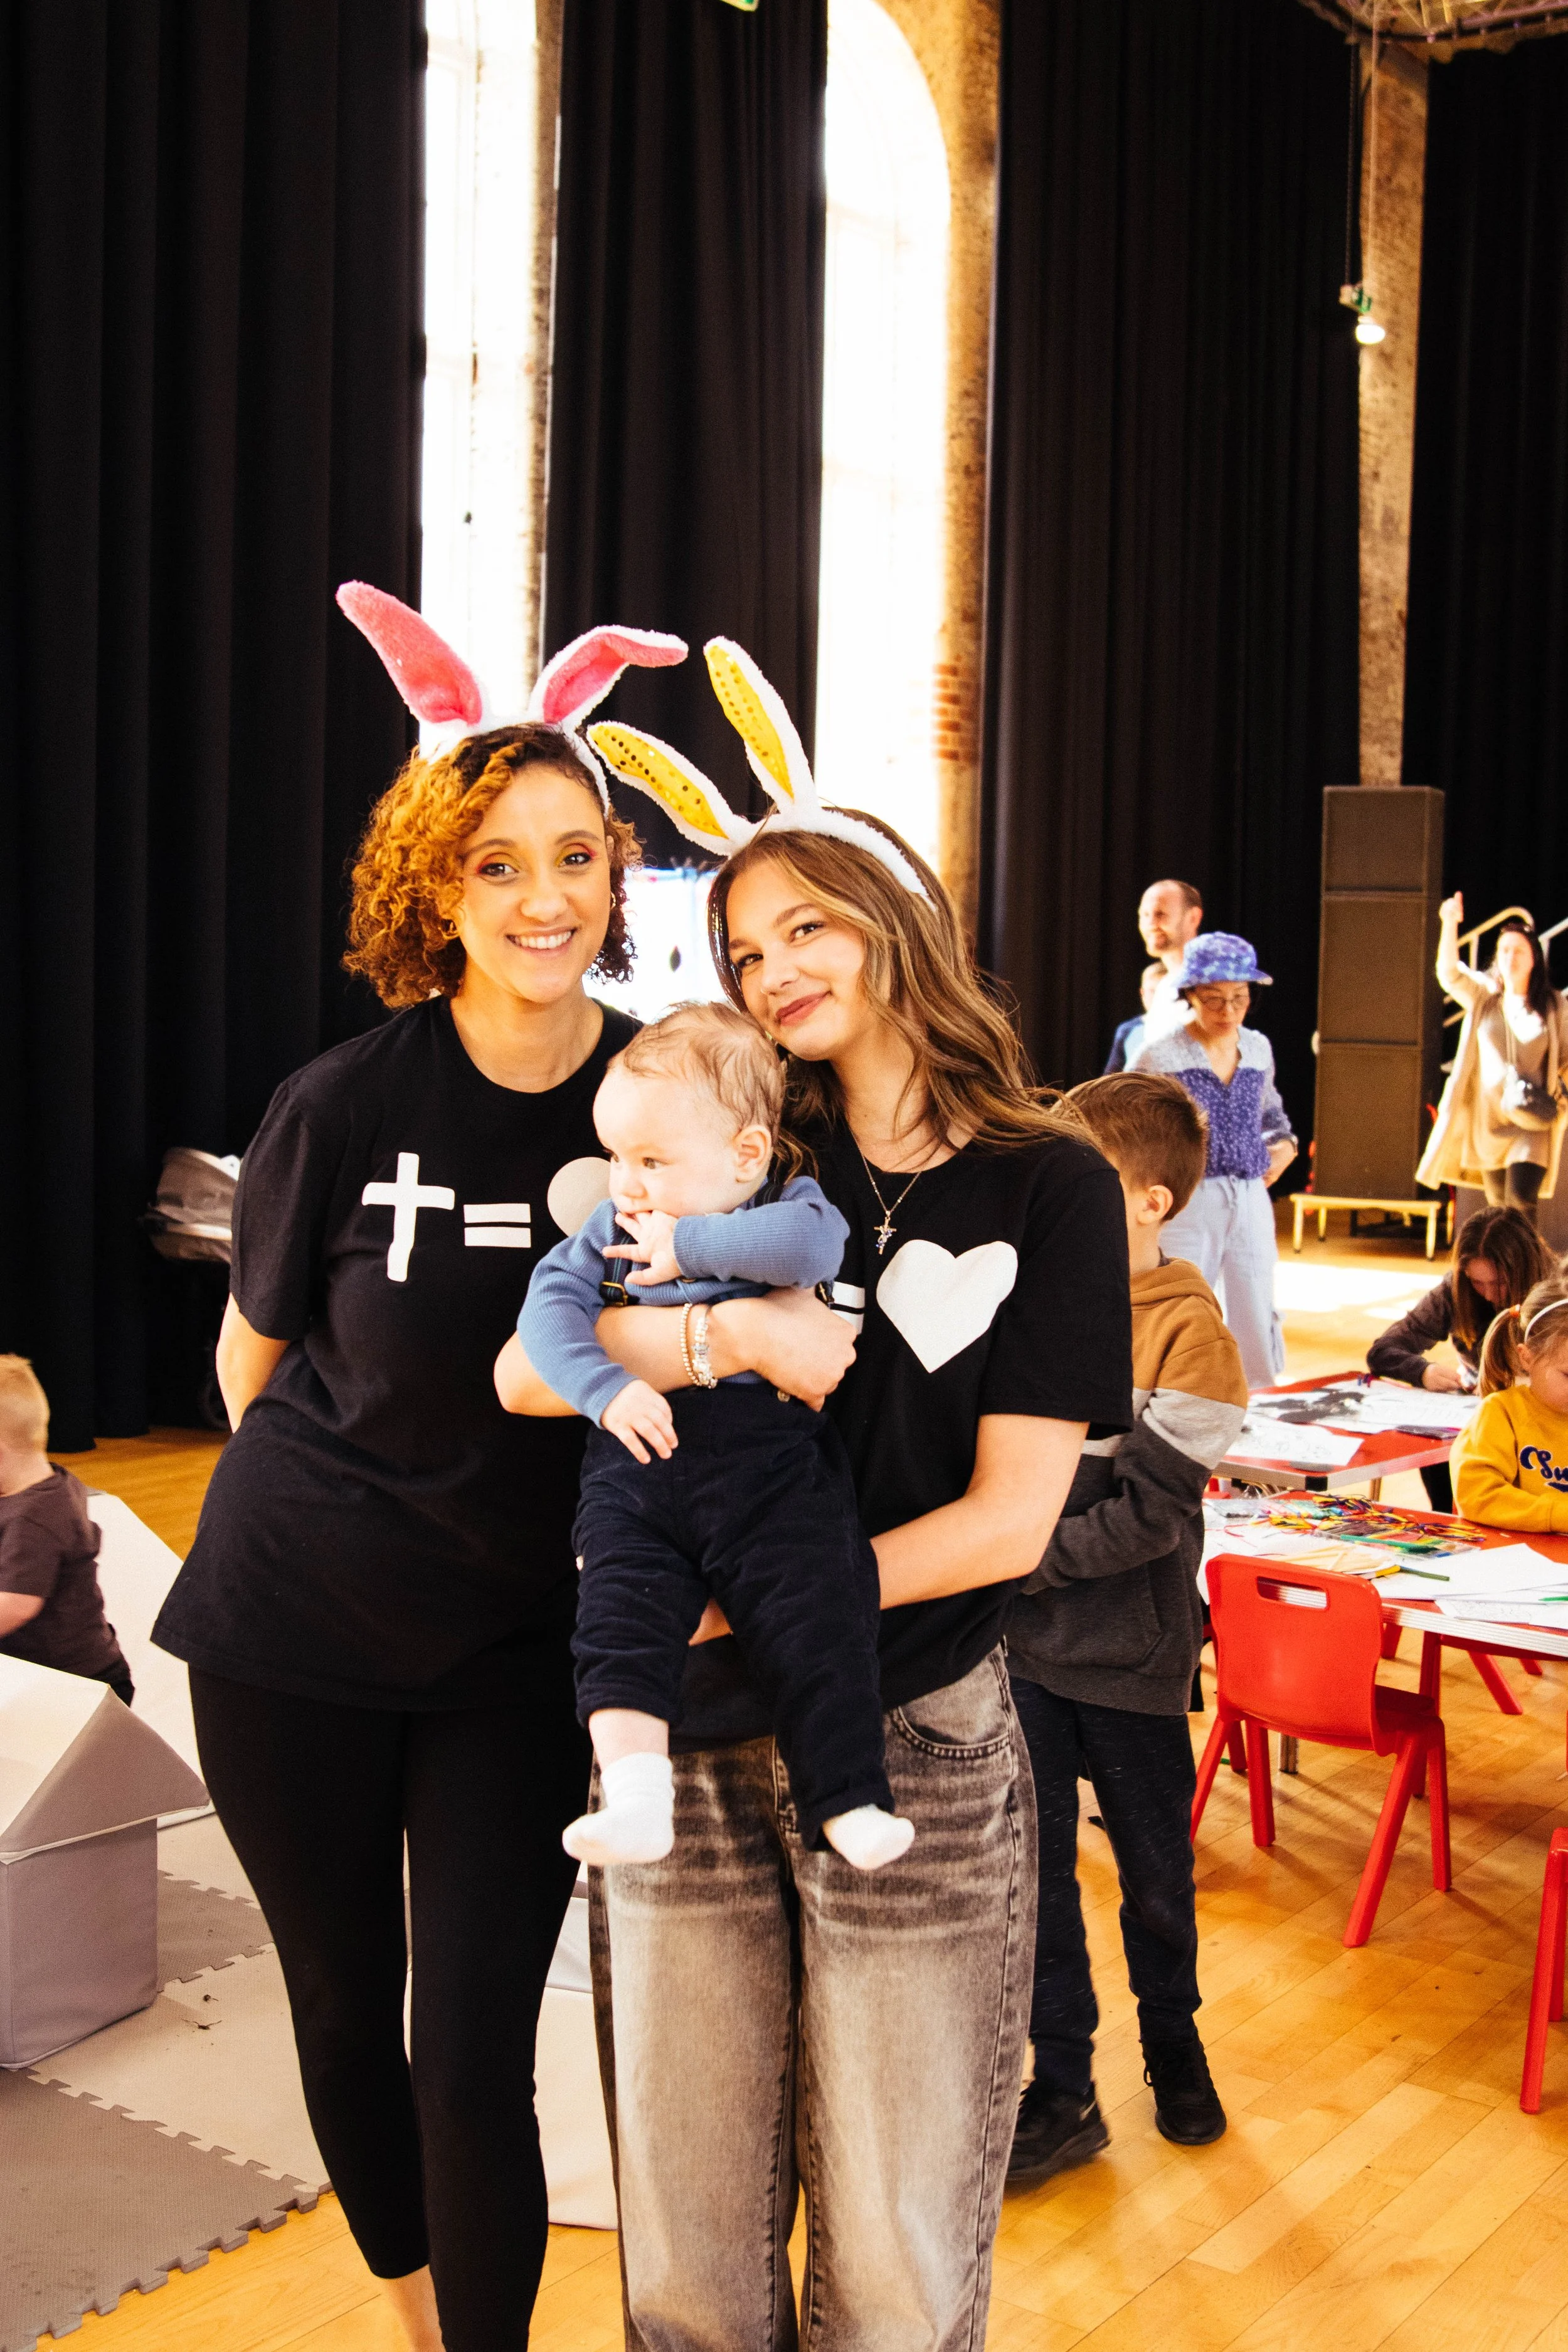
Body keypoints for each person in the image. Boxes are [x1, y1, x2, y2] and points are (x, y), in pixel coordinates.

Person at [497, 637, 1133, 2350]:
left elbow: (1011, 1517)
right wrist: (740, 1338)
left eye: (807, 927)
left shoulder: (1047, 1183)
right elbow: (529, 1352)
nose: (774, 970)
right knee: (689, 2271)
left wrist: (766, 1592)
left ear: (892, 920)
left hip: (910, 1736)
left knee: (898, 2266)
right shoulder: (730, 1152)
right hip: (689, 1747)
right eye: (745, 945)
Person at [152, 589, 688, 2352]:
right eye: (497, 865)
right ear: (435, 896)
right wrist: (354, 1530)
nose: (545, 896)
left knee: (472, 2044)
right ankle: (413, 2306)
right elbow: (253, 1367)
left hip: (517, 1656)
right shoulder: (338, 1098)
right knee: (338, 2007)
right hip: (289, 1628)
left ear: (614, 878)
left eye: (577, 856)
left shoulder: (669, 1109)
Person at [519, 1001, 911, 1873]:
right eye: (617, 1156)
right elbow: (545, 1314)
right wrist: (605, 1388)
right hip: (638, 1459)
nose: (626, 1183)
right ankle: (635, 1796)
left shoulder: (788, 1202)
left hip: (768, 1465)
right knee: (616, 1617)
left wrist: (688, 1243)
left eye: (652, 1160)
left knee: (820, 1611)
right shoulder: (610, 1229)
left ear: (745, 1153)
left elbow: (812, 1251)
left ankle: (847, 1794)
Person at [1004, 1072, 1247, 2183]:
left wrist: (1012, 1560)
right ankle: (1062, 2089)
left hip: (1134, 1661)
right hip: (1024, 1658)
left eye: (1080, 1178)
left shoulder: (1197, 1337)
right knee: (1037, 1878)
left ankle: (1175, 2048)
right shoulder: (1036, 1301)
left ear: (1149, 1200)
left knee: (1154, 1875)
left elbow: (1151, 1515)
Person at [1132, 933, 1296, 1387]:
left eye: (1239, 999)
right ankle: (1165, 1400)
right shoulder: (1160, 1054)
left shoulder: (1258, 1048)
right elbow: (1129, 1124)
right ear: (1190, 995)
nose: (1228, 1012)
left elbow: (1272, 1114)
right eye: (1214, 1000)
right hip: (1188, 1196)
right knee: (1180, 1301)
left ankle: (1261, 1405)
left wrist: (1285, 1147)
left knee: (1255, 1302)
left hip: (1249, 1194)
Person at [1367, 1205, 1557, 1510]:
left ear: (1524, 1270)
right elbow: (1383, 1350)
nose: (1488, 1294)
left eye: (1500, 1283)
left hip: (1543, 1418)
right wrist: (1423, 1371)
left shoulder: (1555, 1295)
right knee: (1435, 1438)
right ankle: (1448, 1520)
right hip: (1472, 1412)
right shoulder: (1456, 1290)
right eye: (1477, 1283)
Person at [1418, 894, 1568, 1221]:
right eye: (1504, 950)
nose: (1510, 957)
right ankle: (1509, 1270)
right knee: (1500, 1207)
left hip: (1531, 1119)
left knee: (1520, 1199)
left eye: (1519, 951)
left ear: (1534, 959)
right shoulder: (1484, 996)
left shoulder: (1554, 1006)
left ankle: (1527, 1271)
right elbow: (1449, 973)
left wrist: (1563, 1097)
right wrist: (1449, 923)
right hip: (1489, 1123)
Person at [0, 1355, 134, 1707]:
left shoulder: (34, 1518)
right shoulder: (49, 1483)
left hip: (80, 1687)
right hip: (55, 1677)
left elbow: (15, 1605)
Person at [1451, 1273, 1568, 1530]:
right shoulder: (1501, 1414)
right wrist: (1557, 1515)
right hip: (1517, 1561)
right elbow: (1477, 1496)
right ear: (1527, 1358)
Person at [1134, 878, 1205, 1052]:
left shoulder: (1210, 983)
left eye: (1160, 914)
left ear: (1193, 918)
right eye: (1145, 915)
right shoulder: (1166, 986)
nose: (1150, 924)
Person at [1103, 959, 1167, 1074]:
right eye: (1152, 991)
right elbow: (1110, 1079)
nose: (1158, 998)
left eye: (1163, 992)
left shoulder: (1190, 1029)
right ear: (1142, 993)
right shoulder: (1128, 1030)